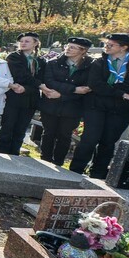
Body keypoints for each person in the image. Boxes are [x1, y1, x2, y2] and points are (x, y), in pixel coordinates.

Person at [70, 33, 129, 178]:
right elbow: (95, 84)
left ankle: (97, 174)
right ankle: (75, 170)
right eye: (106, 44)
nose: (106, 47)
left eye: (111, 45)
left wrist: (115, 91)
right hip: (96, 105)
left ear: (124, 47)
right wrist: (121, 93)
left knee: (108, 141)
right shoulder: (99, 62)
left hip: (120, 109)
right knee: (89, 138)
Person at [38, 37, 92, 165]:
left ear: (83, 50)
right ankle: (44, 160)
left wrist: (63, 95)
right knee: (48, 133)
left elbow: (85, 89)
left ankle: (59, 162)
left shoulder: (90, 66)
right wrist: (74, 89)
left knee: (64, 136)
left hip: (72, 108)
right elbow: (50, 81)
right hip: (51, 104)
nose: (68, 49)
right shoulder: (53, 63)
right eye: (67, 46)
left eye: (73, 47)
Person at [0, 32, 46, 155]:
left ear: (35, 43)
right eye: (21, 41)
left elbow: (42, 79)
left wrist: (28, 88)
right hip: (14, 97)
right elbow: (21, 76)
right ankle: (2, 153)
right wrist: (38, 85)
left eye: (27, 41)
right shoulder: (14, 57)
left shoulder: (40, 60)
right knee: (8, 127)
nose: (23, 43)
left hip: (30, 100)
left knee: (21, 129)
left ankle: (14, 154)